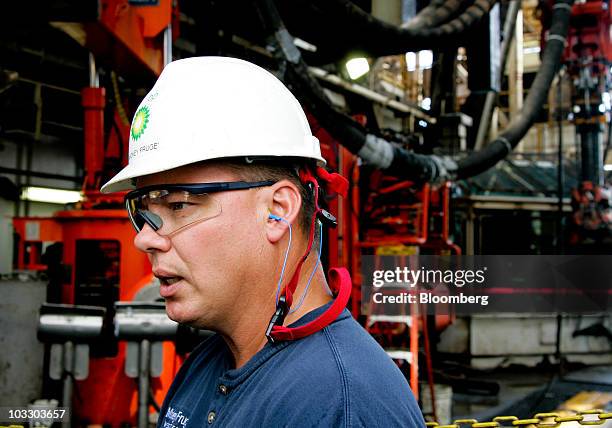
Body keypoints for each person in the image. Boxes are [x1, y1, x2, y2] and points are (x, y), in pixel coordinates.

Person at [101, 56, 425, 427]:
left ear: (277, 210)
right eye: (144, 210)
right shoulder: (206, 365)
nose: (145, 238)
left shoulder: (341, 404)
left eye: (178, 204)